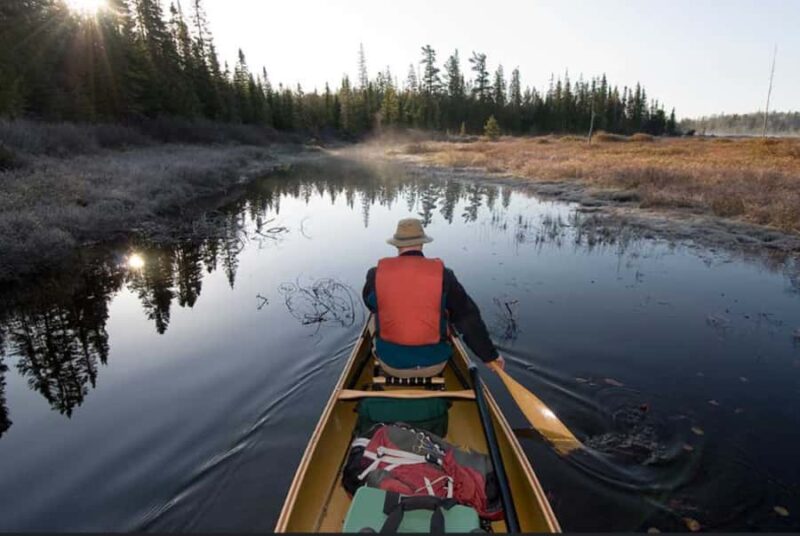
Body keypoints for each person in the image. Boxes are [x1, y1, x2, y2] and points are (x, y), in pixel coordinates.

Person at [362, 218, 506, 378]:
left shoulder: (375, 275)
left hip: (391, 365)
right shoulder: (444, 275)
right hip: (435, 365)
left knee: (375, 316)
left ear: (396, 244)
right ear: (423, 243)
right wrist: (490, 356)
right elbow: (468, 320)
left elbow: (370, 304)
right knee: (451, 312)